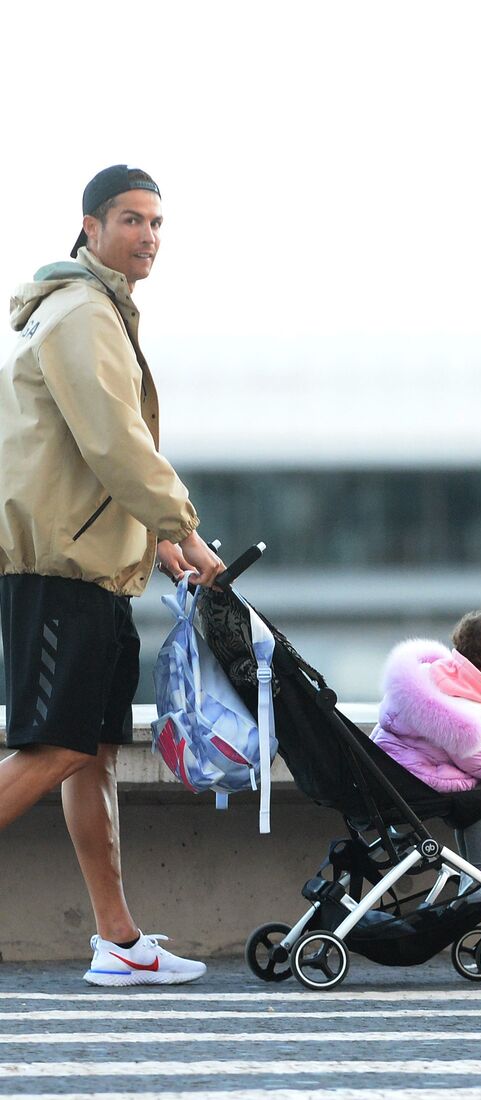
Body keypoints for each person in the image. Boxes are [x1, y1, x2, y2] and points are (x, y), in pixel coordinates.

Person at [0, 165, 225, 985]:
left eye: (158, 223)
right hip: (62, 571)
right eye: (132, 220)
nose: (149, 236)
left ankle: (120, 941)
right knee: (56, 747)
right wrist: (185, 532)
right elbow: (116, 444)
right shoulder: (81, 315)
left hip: (94, 568)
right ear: (90, 228)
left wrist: (155, 545)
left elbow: (90, 455)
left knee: (90, 750)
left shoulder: (98, 313)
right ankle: (119, 940)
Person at [371, 601, 481, 899]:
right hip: (410, 781)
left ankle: (471, 874)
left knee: (471, 794)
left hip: (388, 772)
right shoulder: (467, 717)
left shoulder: (430, 679)